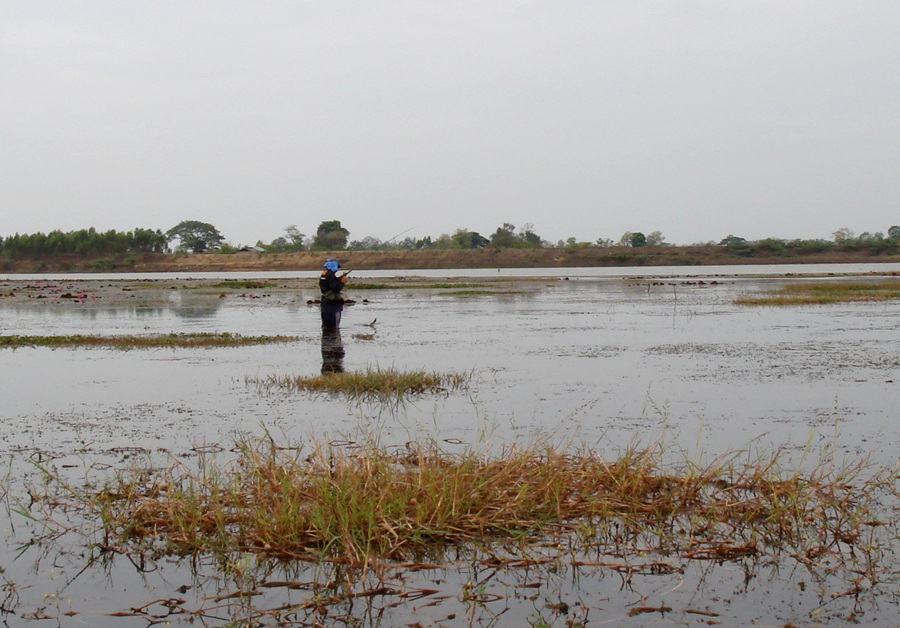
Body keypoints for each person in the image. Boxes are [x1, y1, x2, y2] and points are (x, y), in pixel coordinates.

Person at [319, 258, 348, 330]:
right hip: (333, 306)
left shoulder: (324, 274)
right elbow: (335, 289)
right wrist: (343, 282)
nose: (337, 269)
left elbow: (328, 284)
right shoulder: (331, 275)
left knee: (326, 328)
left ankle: (325, 340)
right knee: (334, 328)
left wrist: (338, 279)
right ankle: (334, 341)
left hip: (325, 305)